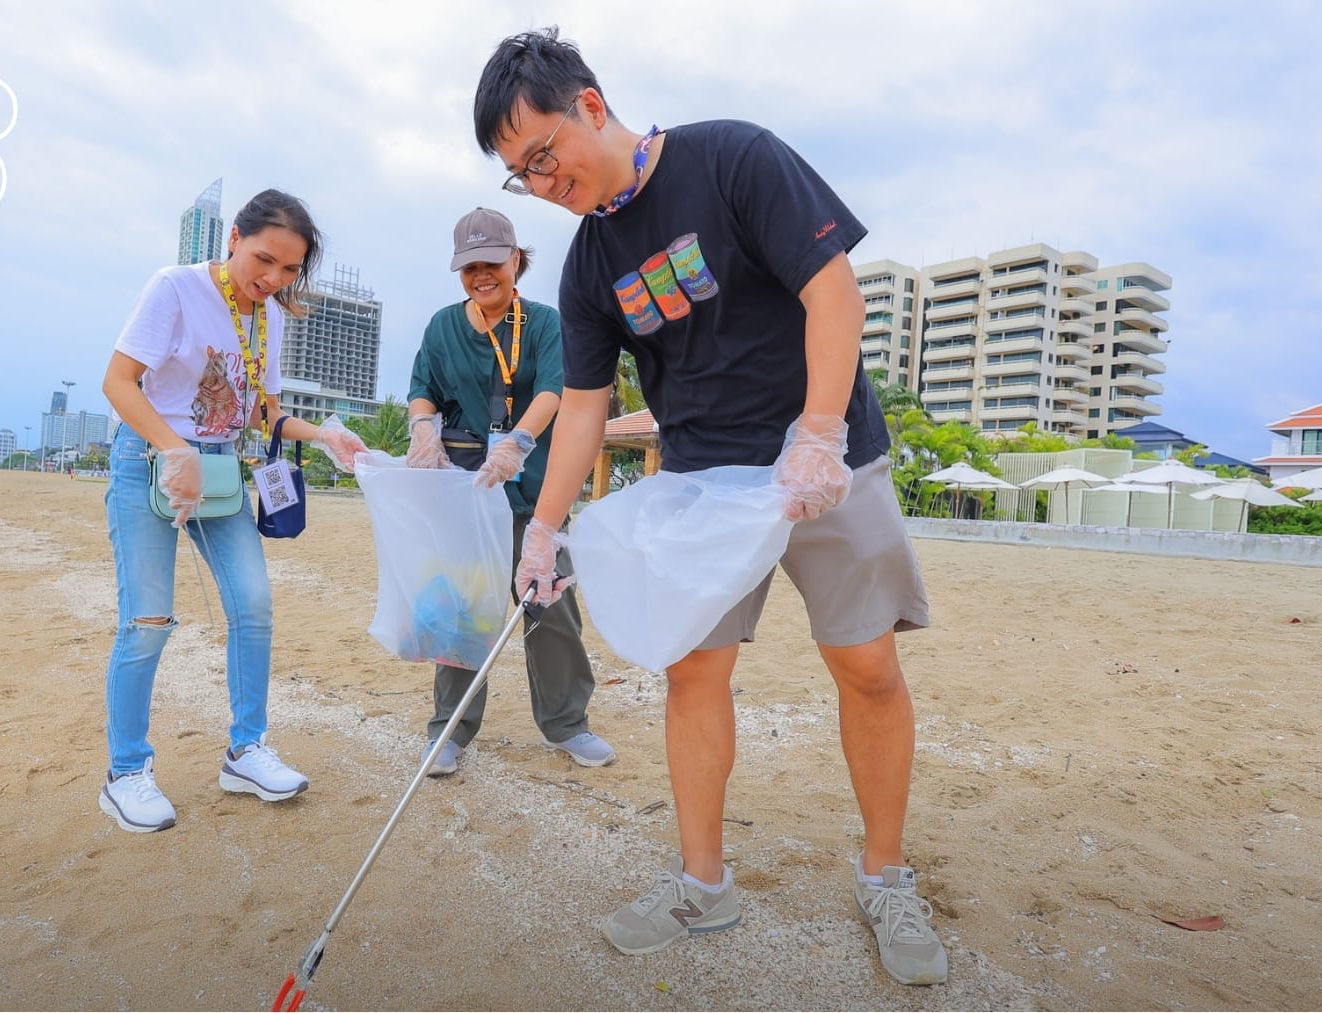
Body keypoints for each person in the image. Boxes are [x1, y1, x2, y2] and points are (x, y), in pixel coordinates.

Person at [473, 29, 943, 985]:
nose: (541, 180)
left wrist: (816, 434)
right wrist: (546, 526)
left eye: (541, 155)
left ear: (590, 106)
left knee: (866, 664)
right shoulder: (588, 262)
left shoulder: (733, 157)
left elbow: (835, 297)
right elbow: (587, 410)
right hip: (702, 481)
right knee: (693, 672)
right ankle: (702, 882)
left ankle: (886, 874)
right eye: (521, 175)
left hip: (826, 458)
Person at [96, 189, 370, 833]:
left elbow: (261, 414)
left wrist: (327, 435)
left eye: (288, 271)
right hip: (148, 462)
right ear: (234, 239)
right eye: (264, 260)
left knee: (254, 605)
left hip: (217, 469)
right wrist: (170, 449)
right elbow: (117, 381)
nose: (272, 279)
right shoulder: (176, 287)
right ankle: (126, 772)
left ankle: (246, 750)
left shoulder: (267, 315)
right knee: (148, 620)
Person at [404, 207, 614, 776]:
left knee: (550, 607)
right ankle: (449, 730)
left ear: (516, 260)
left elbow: (556, 388)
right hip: (468, 495)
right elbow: (421, 389)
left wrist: (520, 439)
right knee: (462, 611)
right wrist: (423, 427)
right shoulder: (443, 326)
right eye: (469, 267)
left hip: (538, 492)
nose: (481, 276)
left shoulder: (545, 322)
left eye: (492, 262)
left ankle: (566, 723)